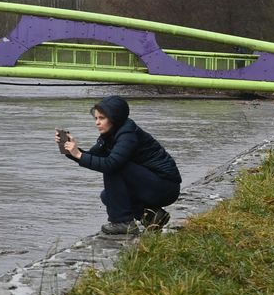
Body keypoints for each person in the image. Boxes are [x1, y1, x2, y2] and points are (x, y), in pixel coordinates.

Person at [56, 95, 181, 236]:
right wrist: (72, 151)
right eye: (96, 118)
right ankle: (153, 216)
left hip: (165, 187)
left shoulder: (127, 135)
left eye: (101, 118)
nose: (97, 123)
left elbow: (110, 164)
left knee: (114, 167)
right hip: (152, 184)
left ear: (114, 118)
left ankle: (123, 222)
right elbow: (93, 158)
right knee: (108, 196)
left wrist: (78, 154)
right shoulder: (111, 135)